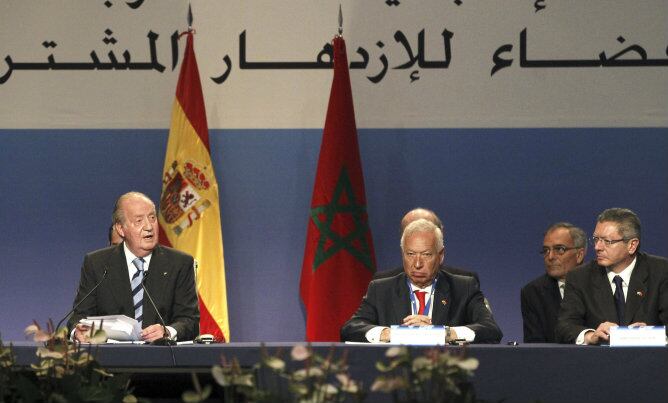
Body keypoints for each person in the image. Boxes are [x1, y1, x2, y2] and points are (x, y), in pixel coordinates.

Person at [340, 218, 502, 343]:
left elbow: (491, 330)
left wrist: (443, 333)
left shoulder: (463, 287)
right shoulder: (381, 289)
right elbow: (350, 329)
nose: (417, 264)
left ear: (441, 255)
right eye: (410, 254)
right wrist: (390, 333)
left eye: (426, 254)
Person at [68, 191, 199, 342]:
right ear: (120, 228)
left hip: (162, 358)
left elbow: (190, 321)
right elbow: (78, 318)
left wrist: (168, 331)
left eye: (152, 218)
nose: (149, 226)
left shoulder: (179, 264)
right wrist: (77, 332)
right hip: (111, 360)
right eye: (139, 221)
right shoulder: (96, 263)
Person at [556, 208, 668, 344]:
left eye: (607, 241)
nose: (597, 247)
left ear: (632, 245)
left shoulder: (661, 272)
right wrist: (591, 336)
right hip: (600, 362)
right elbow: (564, 327)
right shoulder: (579, 277)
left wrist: (649, 334)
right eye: (596, 239)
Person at [373, 208, 481, 283]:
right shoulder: (381, 283)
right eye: (411, 232)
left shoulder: (465, 282)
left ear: (440, 234)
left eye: (426, 229)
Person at [521, 222, 586, 342]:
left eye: (559, 249)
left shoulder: (600, 284)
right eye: (546, 250)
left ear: (579, 255)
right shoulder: (533, 292)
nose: (550, 256)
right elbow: (535, 345)